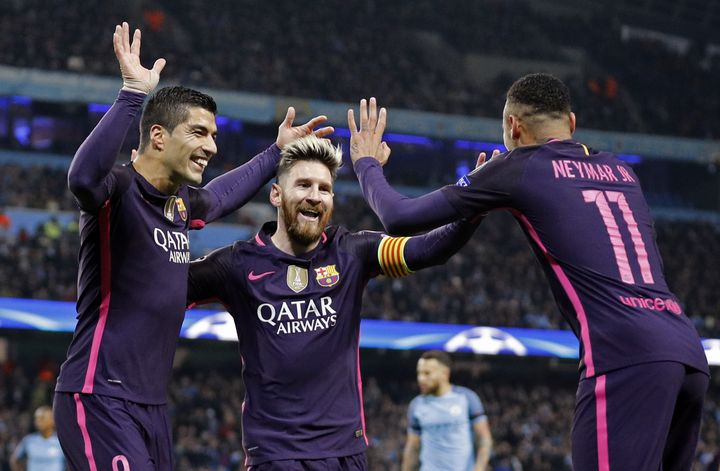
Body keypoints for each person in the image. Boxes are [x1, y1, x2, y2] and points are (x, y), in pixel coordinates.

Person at [348, 81, 710, 471]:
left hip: (624, 354)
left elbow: (400, 218)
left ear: (512, 126)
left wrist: (367, 164)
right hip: (686, 350)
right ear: (571, 122)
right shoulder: (621, 170)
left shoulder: (519, 166)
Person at [53, 22, 331, 471]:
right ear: (159, 136)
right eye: (200, 133)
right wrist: (131, 95)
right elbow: (81, 178)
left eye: (215, 136)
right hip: (98, 393)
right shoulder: (119, 191)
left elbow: (222, 195)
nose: (212, 147)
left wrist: (276, 152)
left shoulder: (181, 204)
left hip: (151, 406)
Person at [187, 134, 486, 470]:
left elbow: (429, 249)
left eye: (324, 188)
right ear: (276, 193)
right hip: (275, 456)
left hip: (345, 453)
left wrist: (471, 207)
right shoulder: (236, 265)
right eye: (303, 185)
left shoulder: (351, 251)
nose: (315, 196)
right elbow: (161, 284)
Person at [402, 350, 492, 471]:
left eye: (427, 373)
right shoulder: (416, 405)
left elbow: (484, 439)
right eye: (419, 373)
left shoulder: (467, 398)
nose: (421, 378)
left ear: (445, 373)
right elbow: (412, 448)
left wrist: (479, 468)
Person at [11, 406, 65, 471]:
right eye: (36, 418)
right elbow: (14, 460)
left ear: (52, 420)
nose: (38, 421)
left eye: (42, 418)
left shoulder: (62, 442)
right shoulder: (28, 440)